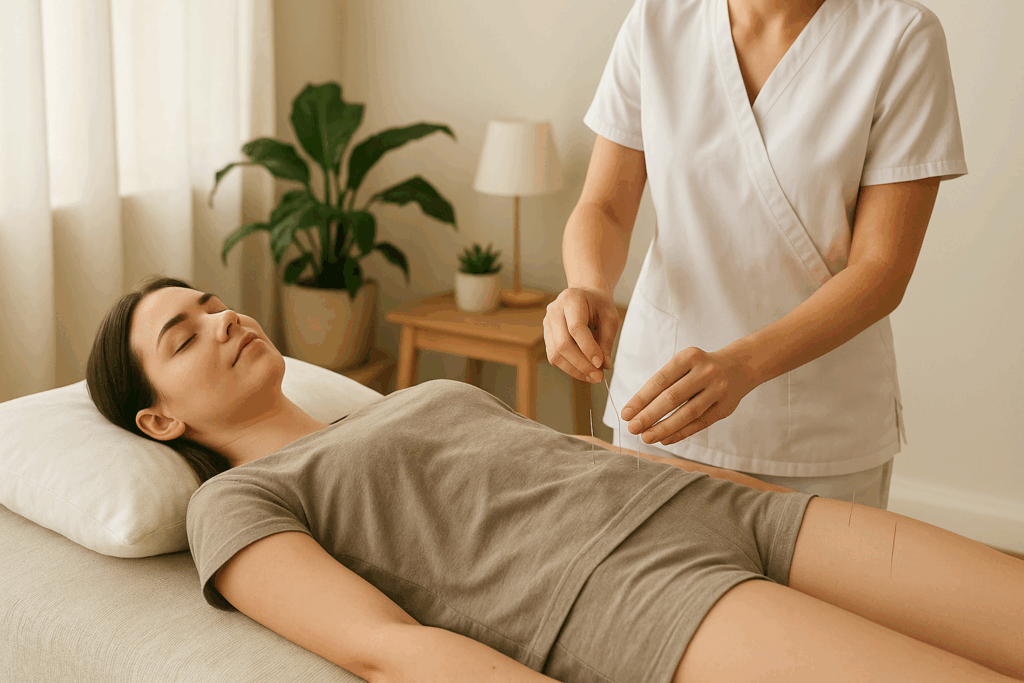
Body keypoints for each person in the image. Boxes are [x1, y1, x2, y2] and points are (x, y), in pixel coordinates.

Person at [83, 276, 1023, 683]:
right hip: (626, 593)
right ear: (160, 419)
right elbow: (387, 647)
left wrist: (767, 500)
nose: (221, 321)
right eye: (183, 336)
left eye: (211, 304)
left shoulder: (393, 400)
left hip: (717, 503)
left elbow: (585, 454)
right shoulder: (233, 500)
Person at [544, 0, 969, 509]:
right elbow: (605, 205)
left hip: (820, 433)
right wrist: (589, 284)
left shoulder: (900, 36)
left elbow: (881, 269)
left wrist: (743, 365)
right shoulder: (657, 20)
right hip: (658, 411)